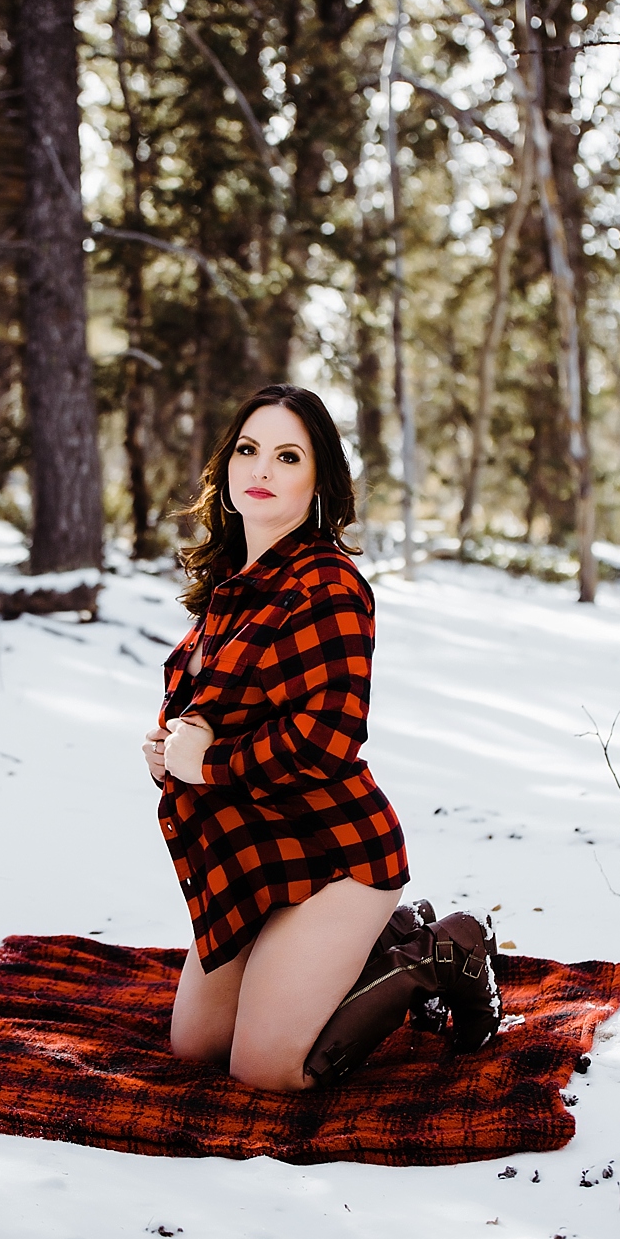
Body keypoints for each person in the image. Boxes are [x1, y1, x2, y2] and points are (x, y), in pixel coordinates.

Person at [141, 384, 409, 1092]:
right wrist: (169, 755)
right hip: (256, 860)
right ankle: (318, 960)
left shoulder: (329, 585)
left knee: (264, 1072)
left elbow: (329, 738)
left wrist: (211, 764)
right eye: (248, 449)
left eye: (287, 456)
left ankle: (427, 957)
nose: (260, 470)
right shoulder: (231, 582)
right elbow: (215, 716)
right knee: (194, 1048)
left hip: (334, 857)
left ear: (318, 478)